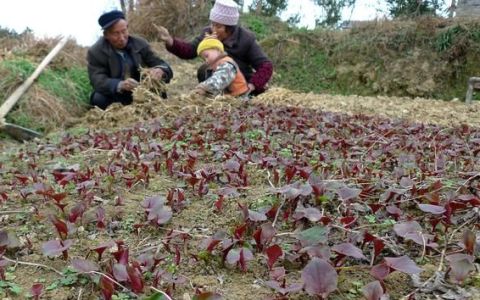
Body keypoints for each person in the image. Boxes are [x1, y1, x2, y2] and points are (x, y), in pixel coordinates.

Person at [154, 0, 272, 96]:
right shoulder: (208, 33)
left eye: (218, 26)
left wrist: (253, 85)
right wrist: (170, 41)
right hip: (217, 82)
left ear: (229, 28)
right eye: (212, 24)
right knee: (203, 69)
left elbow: (266, 66)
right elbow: (190, 50)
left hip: (241, 83)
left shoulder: (245, 39)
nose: (213, 29)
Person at [87, 10, 173, 110]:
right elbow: (97, 79)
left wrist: (160, 70)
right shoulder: (96, 51)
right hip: (117, 95)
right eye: (116, 34)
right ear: (106, 35)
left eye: (124, 31)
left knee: (159, 89)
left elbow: (162, 64)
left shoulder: (140, 43)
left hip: (143, 91)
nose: (122, 38)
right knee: (98, 99)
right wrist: (120, 85)